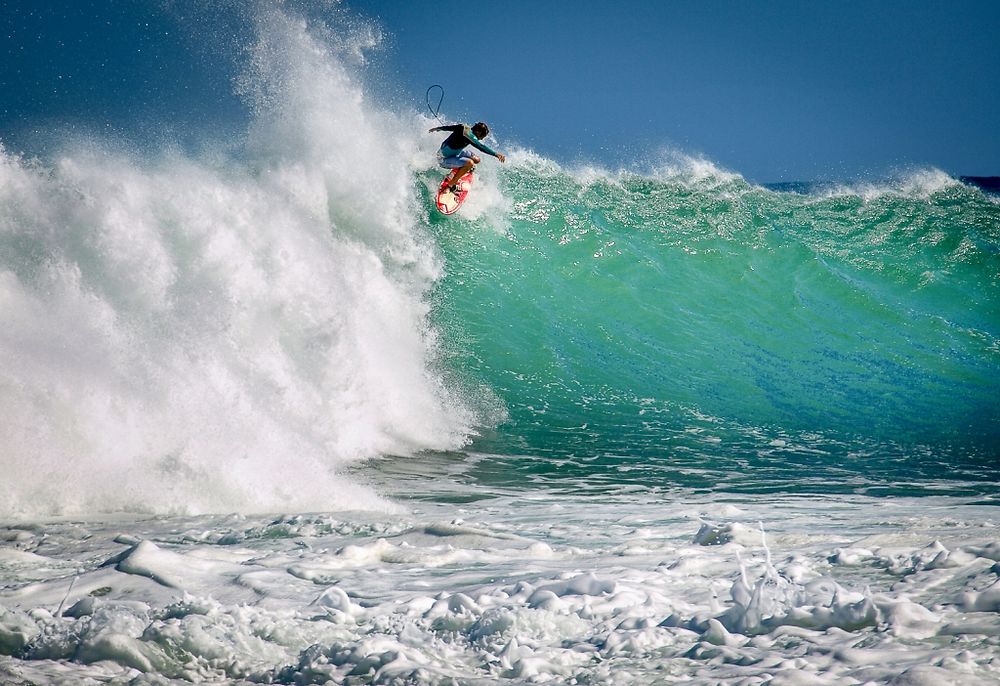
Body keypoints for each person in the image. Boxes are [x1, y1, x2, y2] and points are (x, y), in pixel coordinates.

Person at [429, 122, 506, 192]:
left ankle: (461, 169)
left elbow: (449, 127)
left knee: (477, 160)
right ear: (478, 132)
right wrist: (496, 154)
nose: (481, 139)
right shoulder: (469, 136)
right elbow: (481, 147)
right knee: (470, 163)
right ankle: (450, 186)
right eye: (482, 136)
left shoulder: (464, 127)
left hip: (456, 153)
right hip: (443, 159)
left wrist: (438, 128)